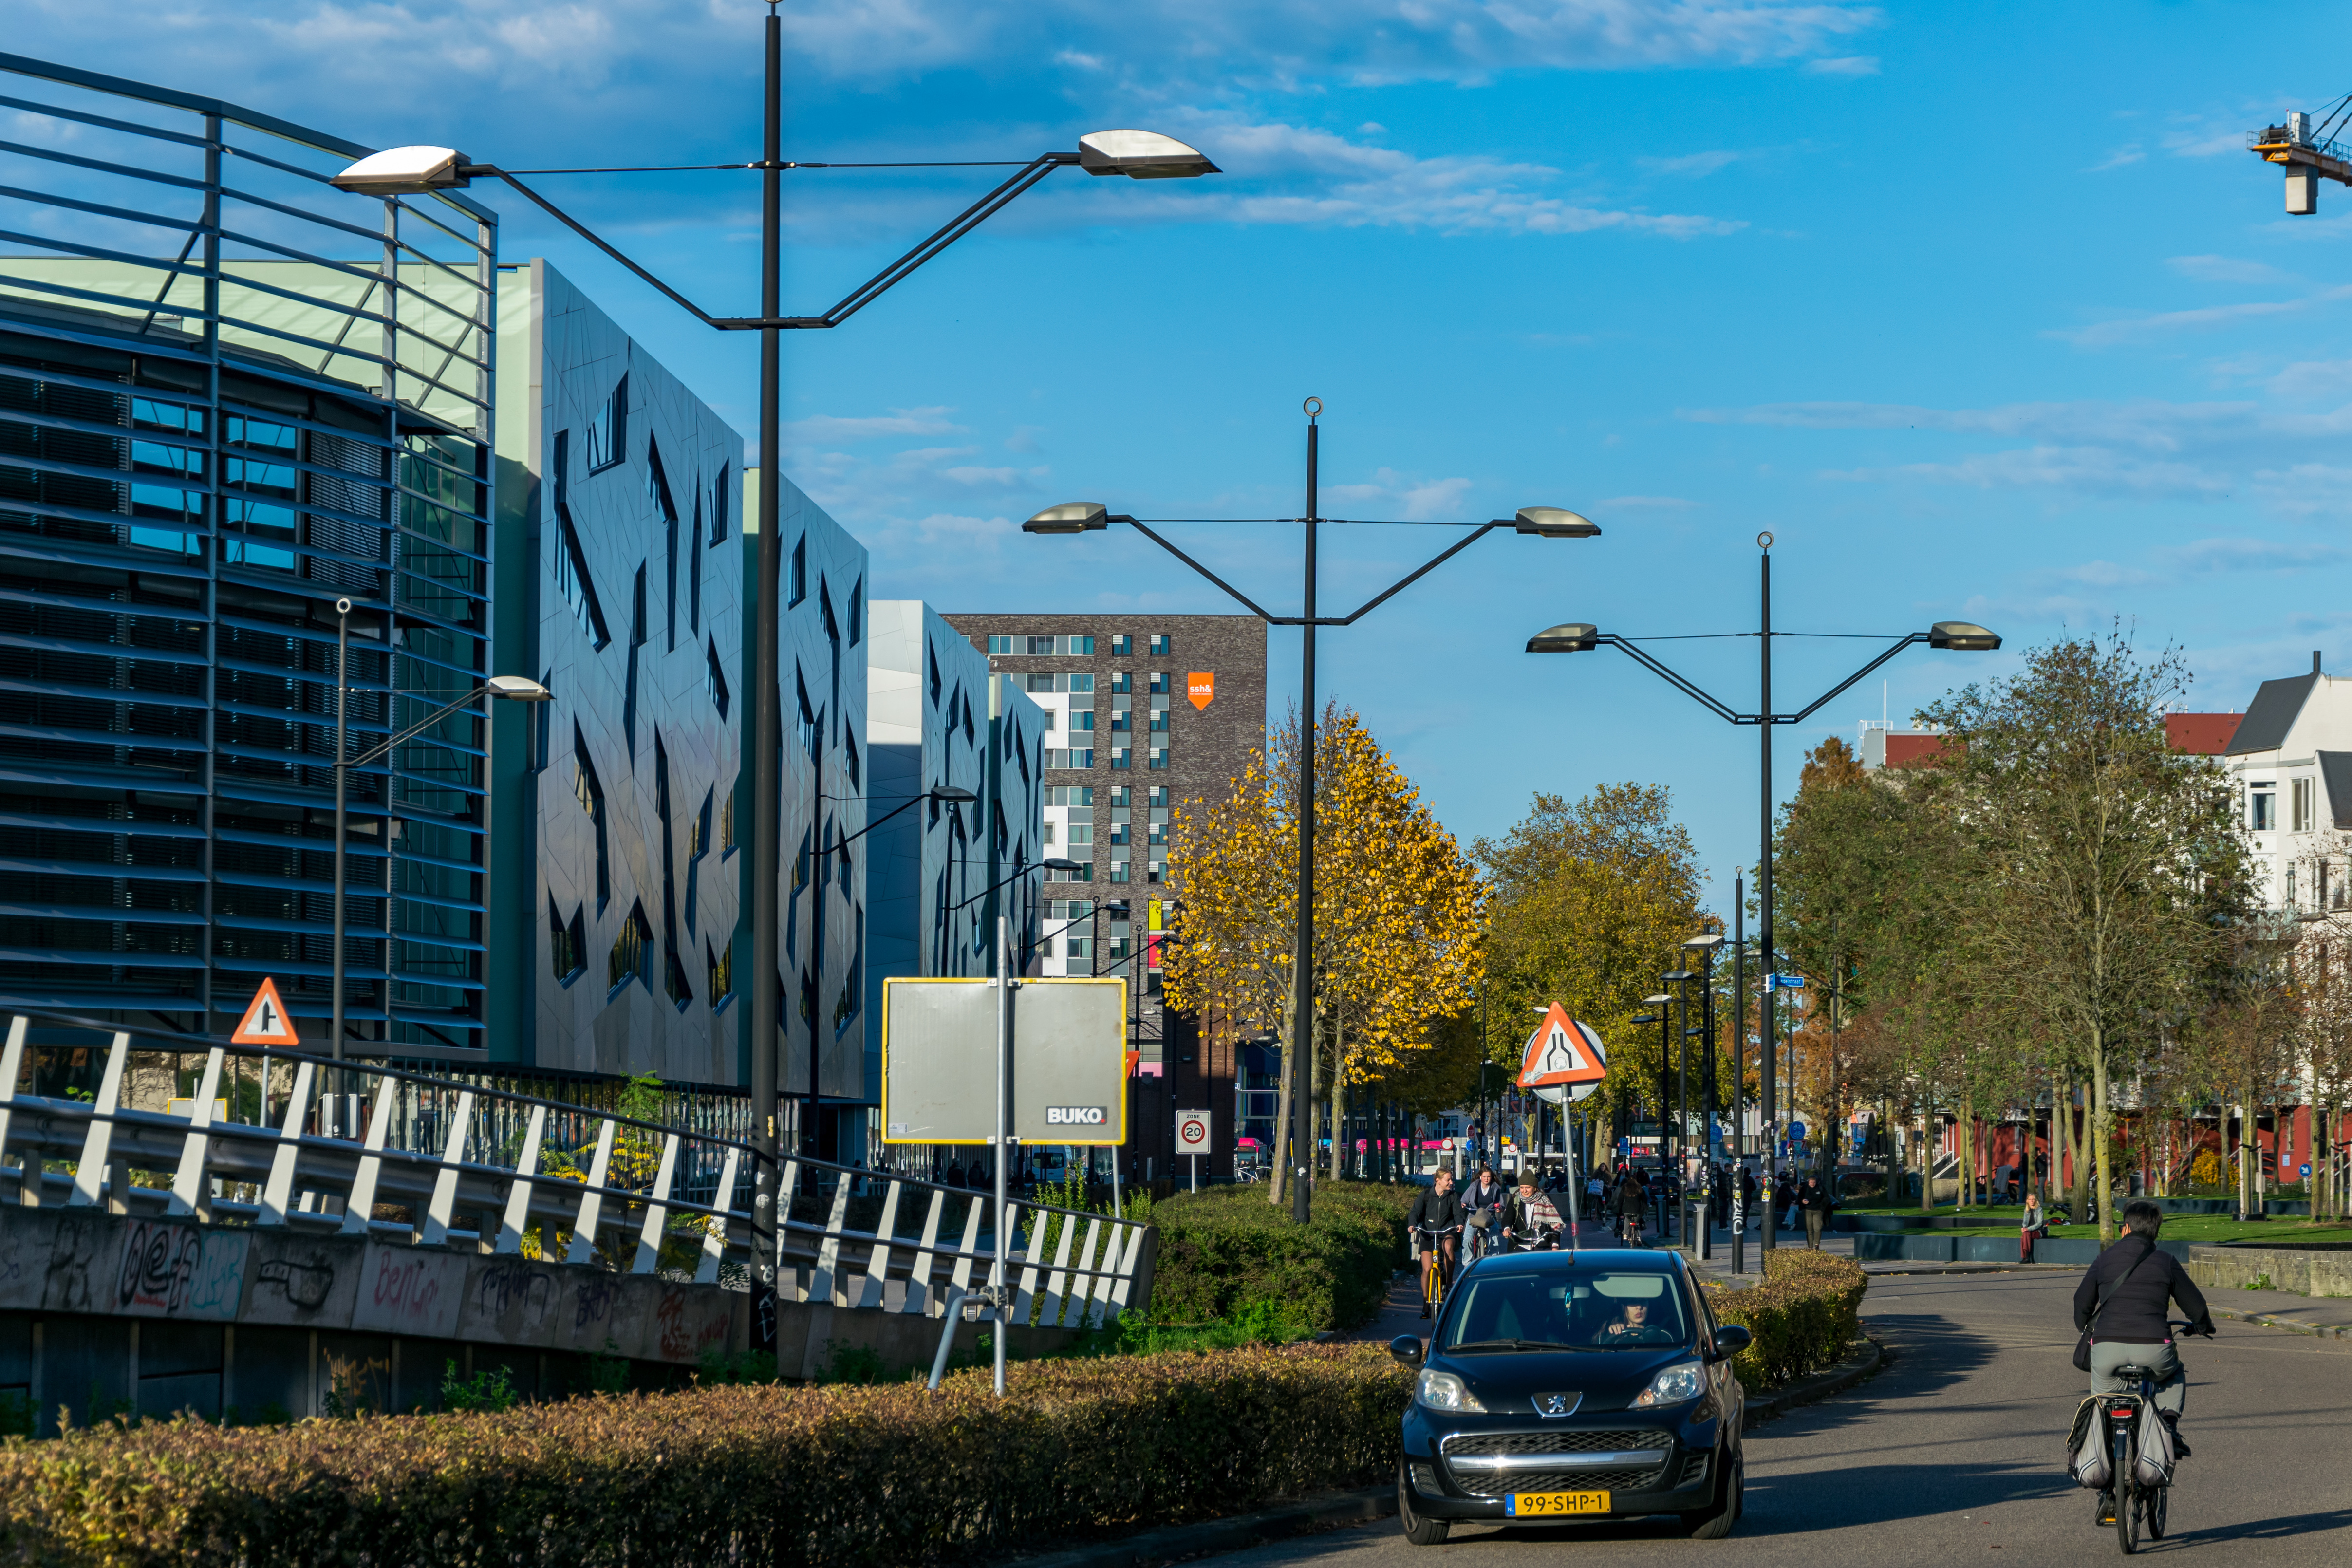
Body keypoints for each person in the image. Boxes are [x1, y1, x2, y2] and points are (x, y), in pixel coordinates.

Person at [2074, 1200, 2215, 1521]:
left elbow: (2082, 1304)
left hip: (2107, 1350)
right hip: (2154, 1349)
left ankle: (2108, 1489)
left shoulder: (2105, 1259)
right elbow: (2196, 1305)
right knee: (2174, 1374)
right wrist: (2203, 1326)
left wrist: (2085, 1326)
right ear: (2156, 1232)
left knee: (2104, 1403)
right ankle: (2169, 1426)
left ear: (2126, 1228)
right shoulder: (2165, 1261)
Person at [1406, 1170, 1464, 1315]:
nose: (1451, 1182)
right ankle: (1426, 1302)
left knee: (1448, 1247)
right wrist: (1412, 1224)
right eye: (1448, 1180)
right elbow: (1415, 1212)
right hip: (1428, 1234)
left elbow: (1459, 1213)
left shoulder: (1453, 1196)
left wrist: (1459, 1224)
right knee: (1427, 1269)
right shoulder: (1425, 1195)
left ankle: (1449, 1283)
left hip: (1447, 1232)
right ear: (1438, 1181)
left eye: (1451, 1180)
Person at [1505, 1175, 1563, 1248]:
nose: (1525, 1191)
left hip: (1541, 1241)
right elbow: (1508, 1217)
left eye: (1528, 1187)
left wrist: (1555, 1244)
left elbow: (1555, 1223)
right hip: (1520, 1241)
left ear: (1535, 1188)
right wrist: (1507, 1229)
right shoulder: (1515, 1200)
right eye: (1522, 1188)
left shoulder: (1545, 1200)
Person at [1596, 1299, 1679, 1346]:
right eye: (1633, 1301)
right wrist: (1612, 1333)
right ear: (1624, 1306)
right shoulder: (1609, 1335)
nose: (1639, 1307)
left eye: (1643, 1301)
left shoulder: (1663, 1337)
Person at [1614, 1167, 1649, 1246]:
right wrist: (1645, 1208)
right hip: (1637, 1210)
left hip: (1626, 1209)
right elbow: (1644, 1199)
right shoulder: (1639, 1187)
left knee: (1627, 1219)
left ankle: (1626, 1234)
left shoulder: (1625, 1188)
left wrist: (1620, 1209)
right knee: (1636, 1223)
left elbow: (1620, 1200)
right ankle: (1639, 1237)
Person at [1798, 1175, 1834, 1250]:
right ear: (1808, 1182)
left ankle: (1817, 1245)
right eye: (1811, 1183)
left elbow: (1826, 1198)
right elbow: (1799, 1197)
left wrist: (1822, 1208)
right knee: (1809, 1229)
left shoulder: (1820, 1188)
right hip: (1807, 1210)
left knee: (1818, 1228)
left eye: (1814, 1183)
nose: (1812, 1184)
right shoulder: (1804, 1188)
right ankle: (1810, 1247)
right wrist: (1802, 1201)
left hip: (1818, 1211)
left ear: (1816, 1182)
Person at [2020, 1191, 2046, 1263]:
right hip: (2028, 1231)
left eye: (2033, 1199)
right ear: (2027, 1201)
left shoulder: (2039, 1209)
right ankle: (2027, 1258)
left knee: (2025, 1236)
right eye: (2030, 1199)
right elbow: (2025, 1222)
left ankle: (2026, 1257)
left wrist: (2028, 1229)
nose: (2032, 1201)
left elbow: (2040, 1223)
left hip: (2037, 1231)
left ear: (2035, 1200)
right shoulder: (2026, 1210)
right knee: (2025, 1235)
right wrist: (2024, 1227)